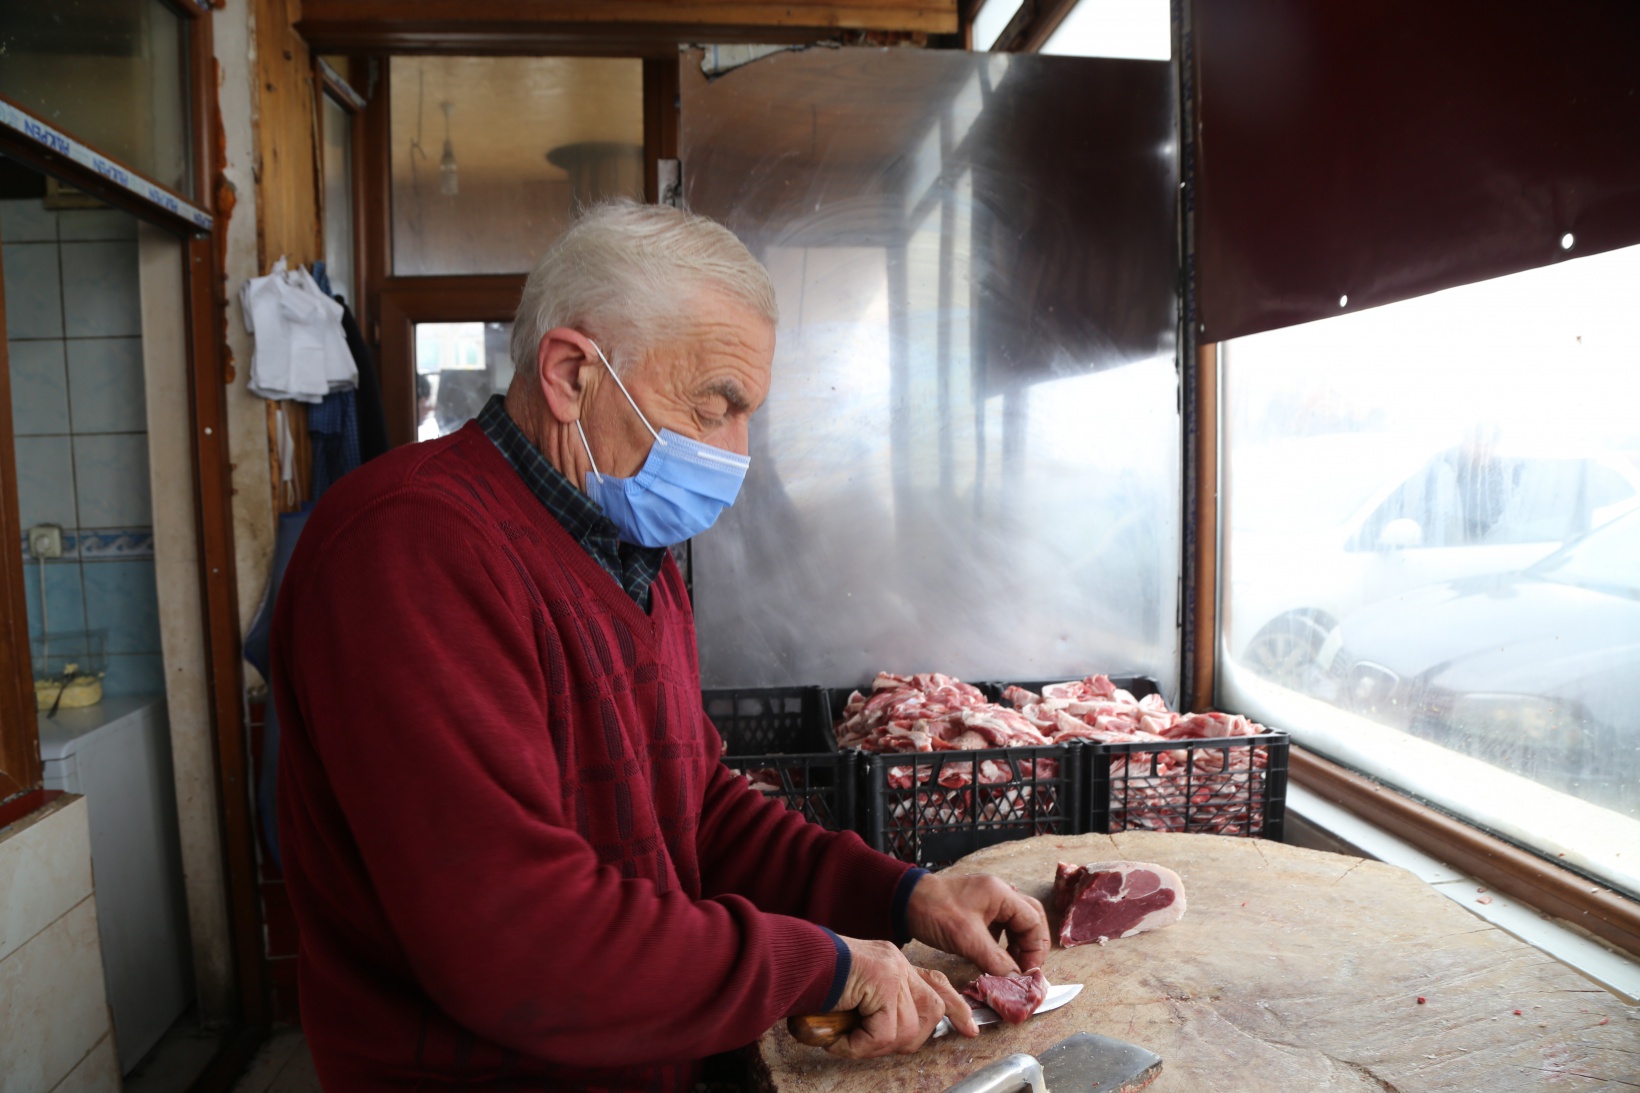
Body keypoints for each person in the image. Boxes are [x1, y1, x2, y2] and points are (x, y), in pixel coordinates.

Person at [272, 201, 1049, 1091]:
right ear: (571, 374)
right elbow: (520, 939)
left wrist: (900, 895)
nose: (737, 450)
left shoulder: (633, 554)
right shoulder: (411, 545)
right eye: (714, 406)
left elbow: (694, 811)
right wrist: (821, 963)